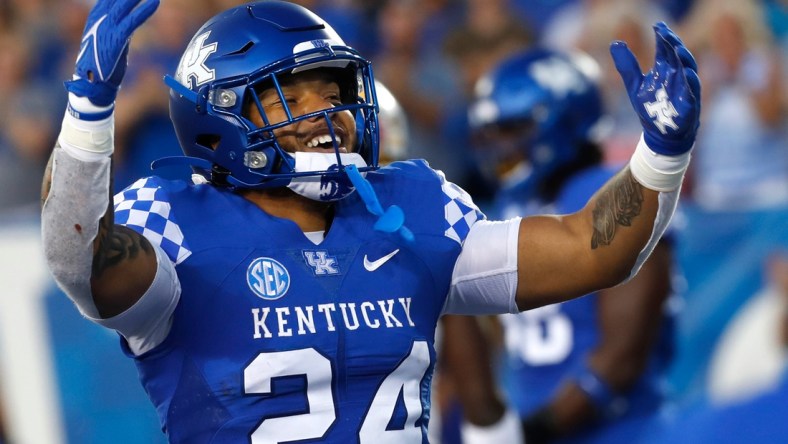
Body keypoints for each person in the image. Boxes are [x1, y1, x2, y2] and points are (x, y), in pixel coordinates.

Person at [40, 1, 700, 442]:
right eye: (289, 98)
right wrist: (88, 112)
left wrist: (661, 154)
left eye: (332, 93)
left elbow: (593, 248)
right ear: (219, 118)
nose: (325, 114)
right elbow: (80, 262)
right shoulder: (175, 220)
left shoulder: (408, 208)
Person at [465, 48, 677, 443]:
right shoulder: (513, 206)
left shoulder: (613, 190)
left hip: (624, 431)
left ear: (563, 120)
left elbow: (621, 358)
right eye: (491, 133)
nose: (499, 146)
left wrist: (535, 428)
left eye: (512, 129)